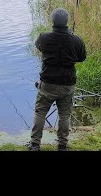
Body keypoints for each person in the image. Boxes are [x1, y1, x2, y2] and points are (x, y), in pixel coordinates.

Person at [28, 8, 86, 151]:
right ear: (66, 21)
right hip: (67, 84)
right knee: (64, 115)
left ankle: (35, 145)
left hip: (47, 83)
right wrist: (71, 37)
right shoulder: (76, 40)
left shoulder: (44, 37)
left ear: (52, 21)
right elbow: (82, 58)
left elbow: (39, 47)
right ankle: (62, 145)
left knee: (40, 112)